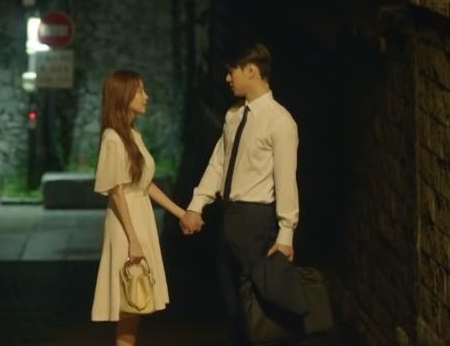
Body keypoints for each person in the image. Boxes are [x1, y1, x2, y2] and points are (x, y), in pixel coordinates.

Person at [179, 43, 300, 345]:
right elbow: (219, 162)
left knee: (258, 309)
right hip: (229, 217)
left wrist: (286, 232)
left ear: (251, 71)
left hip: (257, 220)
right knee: (232, 304)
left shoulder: (280, 121)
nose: (227, 78)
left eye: (232, 71)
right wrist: (197, 205)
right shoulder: (233, 116)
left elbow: (286, 179)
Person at [91, 70, 189, 346]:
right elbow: (117, 191)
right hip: (127, 225)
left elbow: (144, 184)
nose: (146, 97)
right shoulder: (113, 138)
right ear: (123, 96)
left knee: (135, 304)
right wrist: (133, 239)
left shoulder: (132, 134)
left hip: (140, 218)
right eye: (139, 91)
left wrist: (180, 213)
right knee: (130, 300)